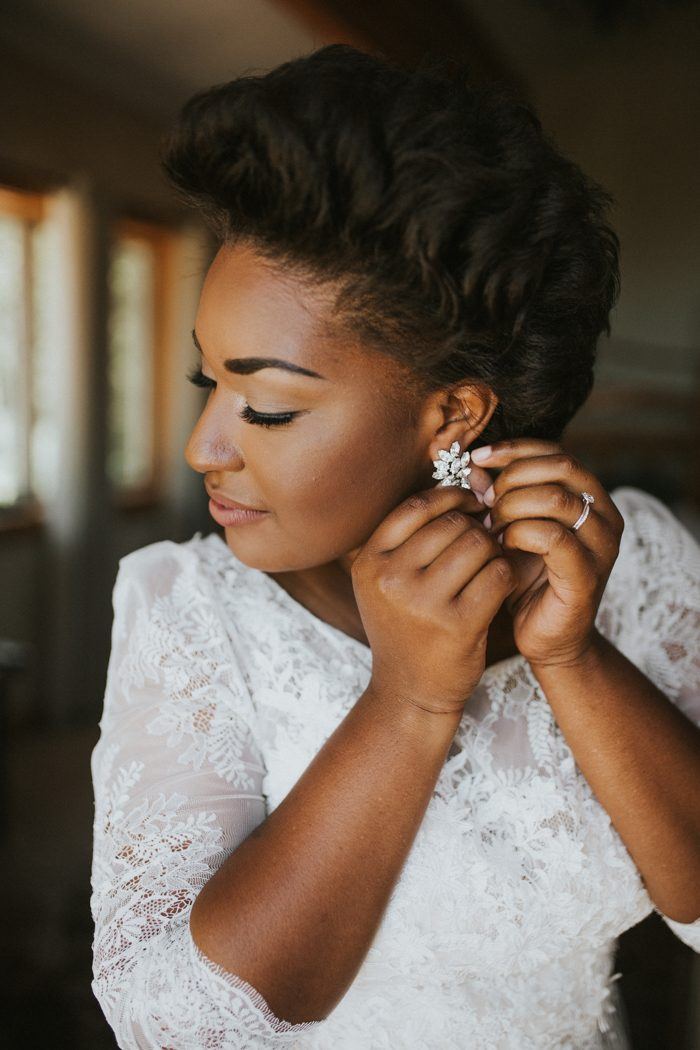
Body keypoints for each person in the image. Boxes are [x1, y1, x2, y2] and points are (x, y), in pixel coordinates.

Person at [89, 43, 700, 1049]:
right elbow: (173, 1026)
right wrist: (407, 700)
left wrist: (573, 658)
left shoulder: (633, 568)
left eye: (271, 408)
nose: (204, 448)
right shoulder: (187, 613)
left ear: (451, 413)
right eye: (212, 385)